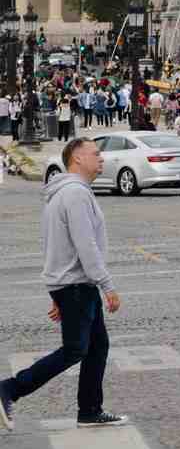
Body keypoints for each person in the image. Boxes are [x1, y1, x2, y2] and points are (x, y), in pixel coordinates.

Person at [0, 137, 126, 430]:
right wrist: (107, 285)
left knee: (97, 346)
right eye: (95, 154)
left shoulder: (64, 194)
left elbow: (53, 244)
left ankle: (90, 410)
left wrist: (56, 289)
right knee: (75, 349)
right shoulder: (75, 195)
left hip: (73, 283)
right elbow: (86, 245)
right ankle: (9, 388)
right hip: (77, 284)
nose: (101, 158)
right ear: (77, 159)